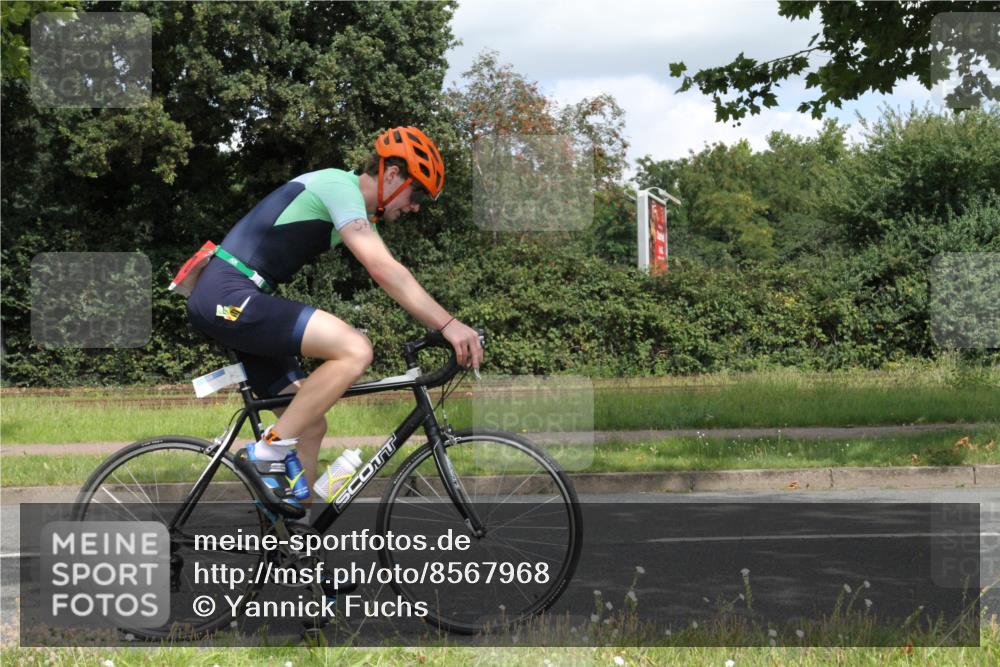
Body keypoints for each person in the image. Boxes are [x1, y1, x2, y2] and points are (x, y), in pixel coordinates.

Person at [186, 127, 483, 516]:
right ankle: (265, 453)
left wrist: (441, 323)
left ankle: (293, 540)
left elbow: (394, 273)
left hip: (238, 297)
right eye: (417, 194)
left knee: (309, 425)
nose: (416, 207)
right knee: (355, 350)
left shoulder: (357, 213)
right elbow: (382, 268)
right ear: (393, 174)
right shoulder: (339, 186)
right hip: (227, 294)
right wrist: (449, 324)